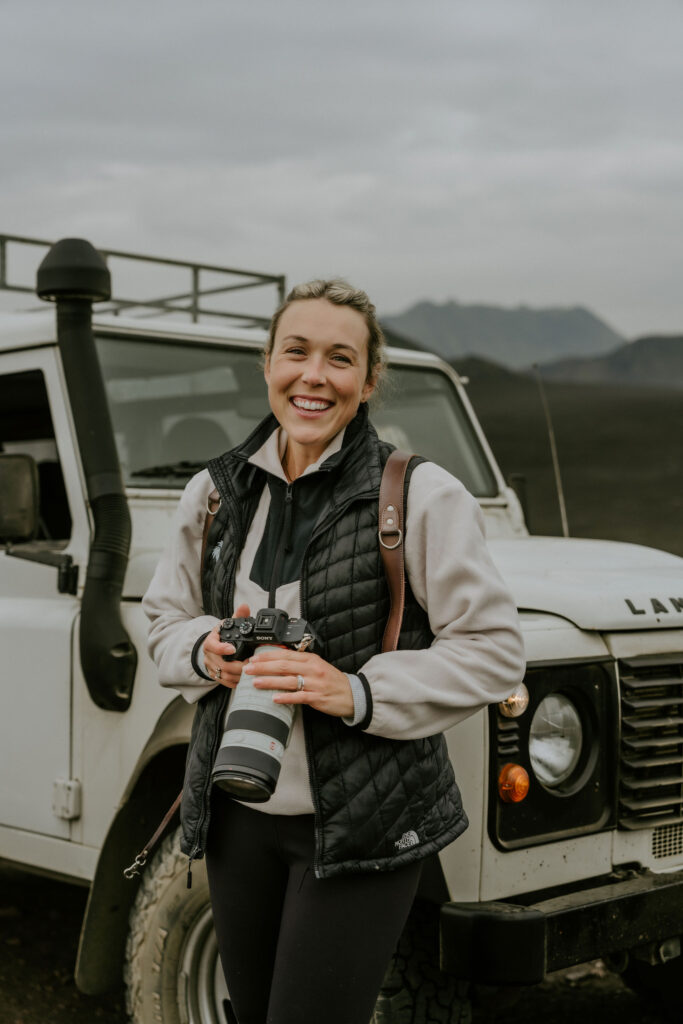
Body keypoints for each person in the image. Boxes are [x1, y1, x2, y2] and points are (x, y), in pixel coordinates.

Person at [143, 279, 525, 1024]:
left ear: (369, 380)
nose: (314, 375)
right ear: (267, 363)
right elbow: (162, 623)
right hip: (237, 812)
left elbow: (493, 651)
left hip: (362, 820)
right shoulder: (214, 493)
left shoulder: (420, 495)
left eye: (340, 359)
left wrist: (351, 690)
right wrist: (207, 649)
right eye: (297, 351)